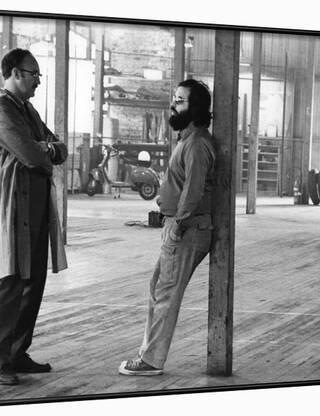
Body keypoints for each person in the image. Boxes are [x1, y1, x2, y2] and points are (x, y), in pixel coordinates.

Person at [118, 79, 216, 376]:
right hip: (179, 226)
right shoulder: (187, 140)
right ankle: (149, 354)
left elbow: (193, 190)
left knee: (165, 294)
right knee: (157, 287)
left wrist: (178, 224)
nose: (173, 104)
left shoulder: (197, 144)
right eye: (175, 98)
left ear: (195, 107)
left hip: (186, 229)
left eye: (181, 100)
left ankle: (151, 361)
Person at [0, 48, 68, 385]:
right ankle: (0, 360)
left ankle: (18, 352)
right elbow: (35, 156)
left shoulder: (27, 110)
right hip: (14, 209)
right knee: (10, 281)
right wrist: (45, 148)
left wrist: (47, 147)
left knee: (33, 282)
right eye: (34, 74)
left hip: (36, 208)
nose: (38, 81)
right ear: (16, 73)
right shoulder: (1, 112)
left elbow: (58, 147)